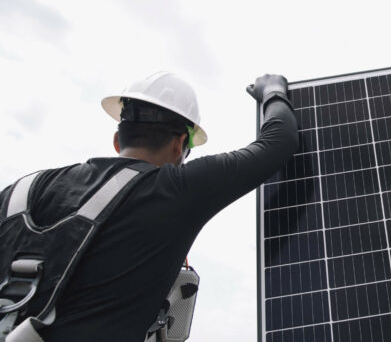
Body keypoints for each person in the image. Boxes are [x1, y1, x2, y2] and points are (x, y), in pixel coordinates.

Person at [0, 72, 298, 341]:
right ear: (179, 145)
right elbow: (277, 143)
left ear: (117, 139)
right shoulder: (173, 189)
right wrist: (272, 90)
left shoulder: (19, 192)